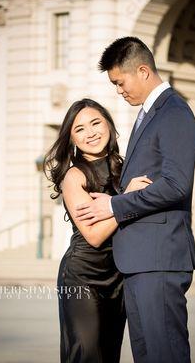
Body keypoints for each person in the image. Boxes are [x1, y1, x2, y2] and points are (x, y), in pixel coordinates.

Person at [75, 37, 195, 363]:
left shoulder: (174, 112)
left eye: (120, 82)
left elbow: (176, 185)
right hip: (139, 264)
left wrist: (114, 205)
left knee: (165, 355)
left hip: (158, 261)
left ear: (143, 71)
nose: (118, 90)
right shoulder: (148, 114)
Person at [44, 98, 150, 363]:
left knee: (109, 354)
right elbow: (94, 235)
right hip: (82, 277)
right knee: (86, 354)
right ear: (71, 139)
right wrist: (126, 201)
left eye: (95, 123)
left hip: (119, 276)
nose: (90, 133)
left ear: (110, 126)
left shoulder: (127, 168)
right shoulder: (75, 177)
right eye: (79, 129)